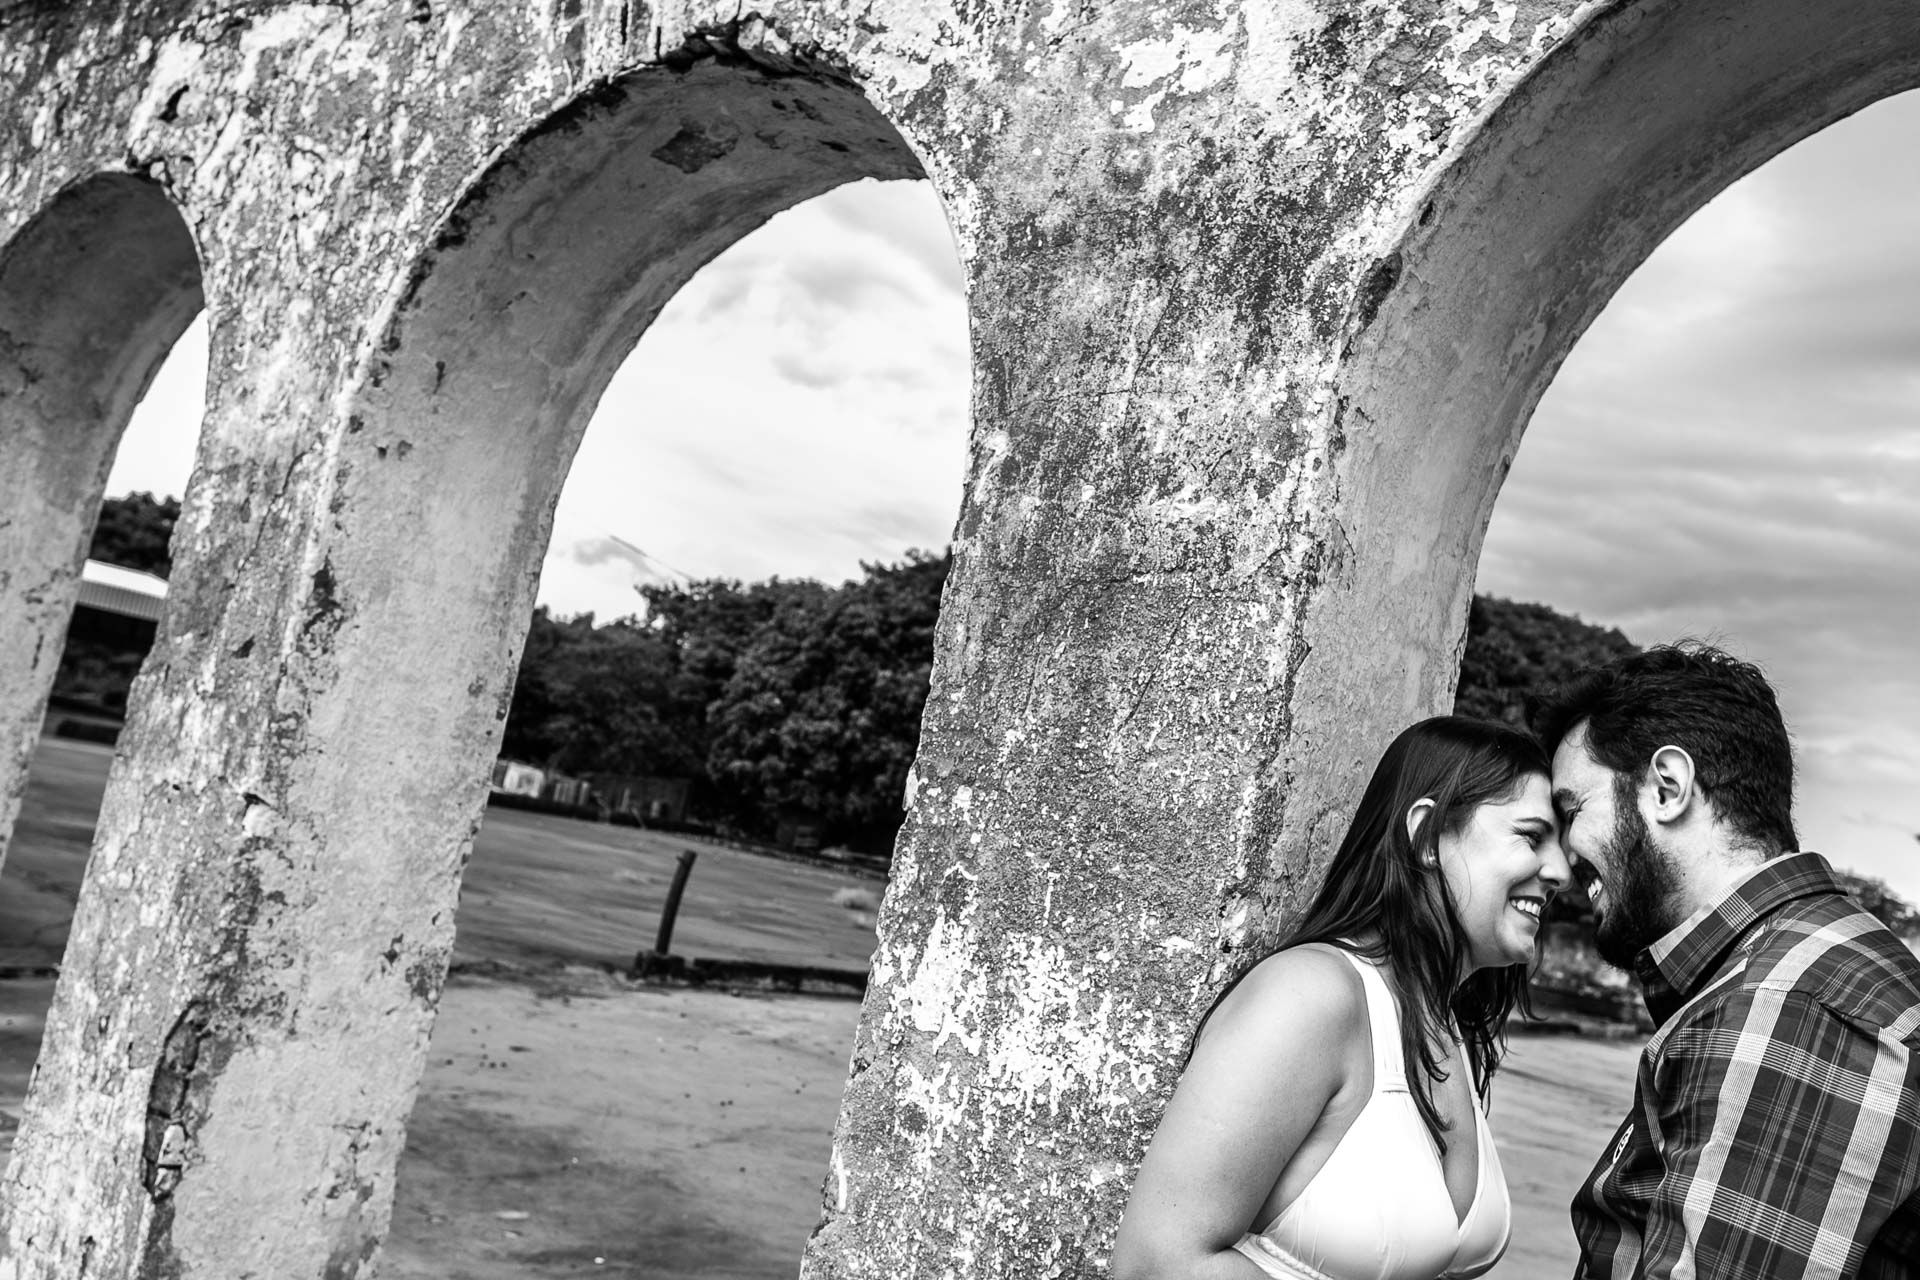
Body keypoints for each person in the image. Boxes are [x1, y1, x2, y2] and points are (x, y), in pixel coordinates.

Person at [1112, 716, 1569, 1280]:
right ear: (1426, 837)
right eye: (1531, 836)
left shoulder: (1449, 1027)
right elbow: (1156, 1262)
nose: (1561, 872)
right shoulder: (1311, 995)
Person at [1529, 642, 1920, 1279]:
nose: (1561, 854)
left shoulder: (1783, 1001)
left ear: (1667, 787)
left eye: (1572, 810)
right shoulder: (1788, 968)